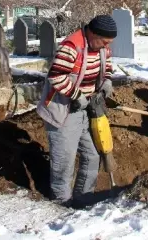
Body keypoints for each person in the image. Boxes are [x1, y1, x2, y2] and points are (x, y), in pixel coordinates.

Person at [36, 15, 116, 207]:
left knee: (93, 155)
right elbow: (56, 77)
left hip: (86, 110)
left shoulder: (102, 46)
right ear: (92, 33)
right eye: (104, 42)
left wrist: (107, 81)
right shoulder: (72, 46)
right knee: (65, 161)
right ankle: (62, 202)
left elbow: (107, 68)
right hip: (63, 111)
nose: (106, 46)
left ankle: (84, 198)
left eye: (109, 43)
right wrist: (76, 95)